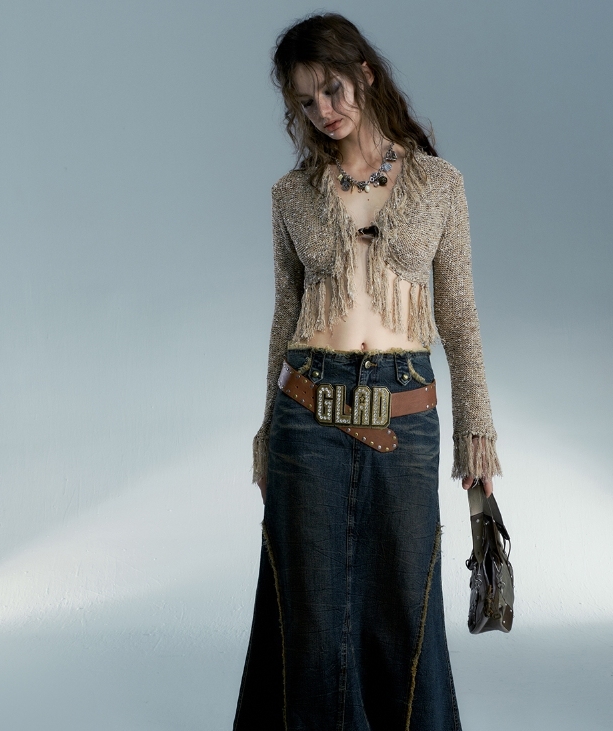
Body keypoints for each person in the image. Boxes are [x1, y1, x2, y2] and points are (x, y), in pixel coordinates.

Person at [234, 13, 501, 731]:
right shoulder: (291, 195)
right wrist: (266, 430)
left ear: (365, 74)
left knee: (402, 607)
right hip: (306, 414)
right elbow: (285, 316)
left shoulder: (439, 184)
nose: (324, 109)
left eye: (332, 88)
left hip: (404, 414)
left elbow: (459, 316)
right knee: (311, 613)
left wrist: (476, 430)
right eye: (306, 101)